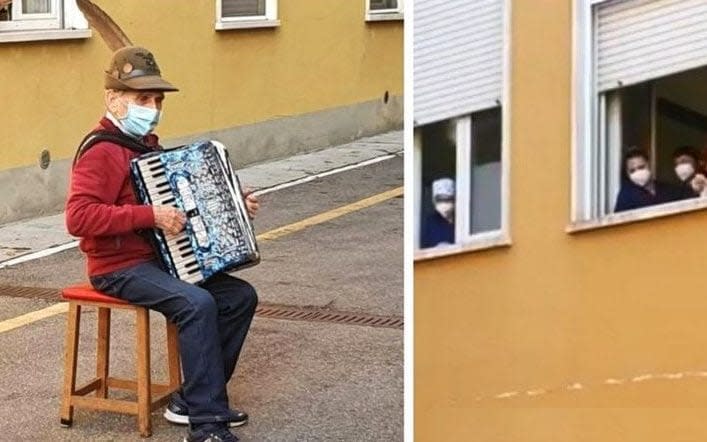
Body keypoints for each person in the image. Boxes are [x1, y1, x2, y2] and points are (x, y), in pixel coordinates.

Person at [65, 46, 258, 442]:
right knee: (196, 303)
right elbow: (78, 217)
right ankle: (207, 425)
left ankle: (192, 399)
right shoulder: (101, 151)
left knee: (239, 297)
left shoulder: (146, 147)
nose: (152, 108)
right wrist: (148, 215)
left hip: (158, 261)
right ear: (113, 99)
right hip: (117, 268)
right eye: (142, 99)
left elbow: (184, 199)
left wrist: (236, 202)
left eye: (157, 100)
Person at [614, 148, 681, 212]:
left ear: (650, 164)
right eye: (632, 171)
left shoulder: (667, 189)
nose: (638, 172)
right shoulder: (626, 195)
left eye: (641, 167)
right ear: (627, 174)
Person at [421, 177, 455, 248]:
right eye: (440, 200)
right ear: (434, 201)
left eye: (447, 199)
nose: (444, 204)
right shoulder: (430, 222)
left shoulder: (461, 220)